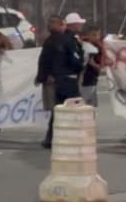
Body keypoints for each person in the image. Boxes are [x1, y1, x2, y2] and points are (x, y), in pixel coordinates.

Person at [36, 12, 85, 149]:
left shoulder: (48, 41)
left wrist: (41, 77)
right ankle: (68, 137)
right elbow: (75, 60)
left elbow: (43, 60)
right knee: (71, 109)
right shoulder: (68, 41)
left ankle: (51, 137)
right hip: (67, 81)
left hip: (55, 80)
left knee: (57, 110)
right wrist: (80, 65)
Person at [79, 25, 103, 108]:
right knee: (85, 105)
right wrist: (94, 64)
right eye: (94, 35)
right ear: (88, 35)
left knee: (91, 106)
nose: (97, 37)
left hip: (93, 78)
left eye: (98, 35)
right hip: (85, 80)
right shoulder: (83, 46)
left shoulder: (99, 47)